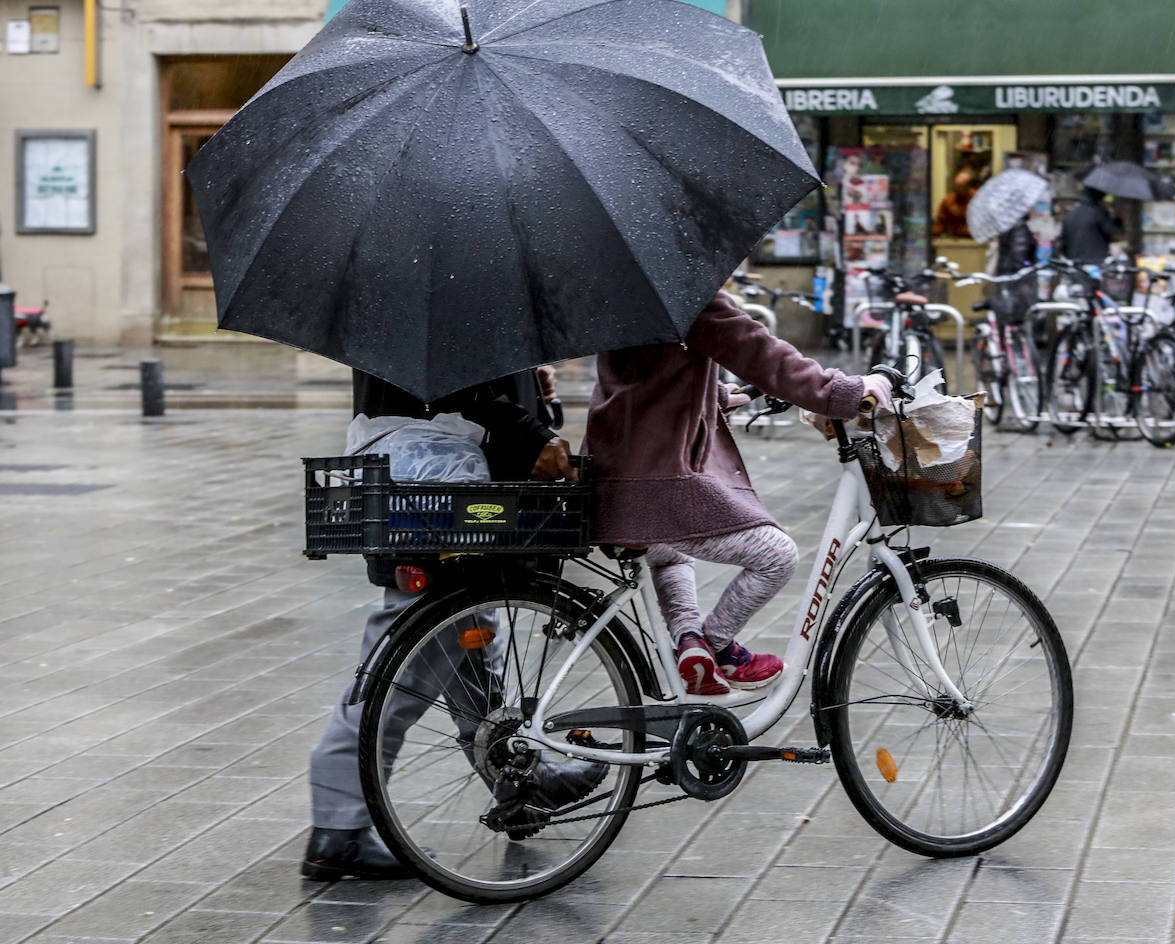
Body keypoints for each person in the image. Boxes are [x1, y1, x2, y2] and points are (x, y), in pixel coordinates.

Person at [302, 367, 600, 881]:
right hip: (436, 499)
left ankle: (520, 786)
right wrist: (535, 434)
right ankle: (338, 830)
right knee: (402, 676)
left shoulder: (425, 309)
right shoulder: (433, 305)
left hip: (434, 496)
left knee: (468, 654)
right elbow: (454, 387)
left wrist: (530, 386)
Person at [584, 291, 891, 695]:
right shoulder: (685, 295)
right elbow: (758, 351)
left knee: (667, 553)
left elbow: (649, 376)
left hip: (608, 481)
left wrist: (717, 396)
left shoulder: (624, 296)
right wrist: (844, 391)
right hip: (654, 485)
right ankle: (718, 647)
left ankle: (690, 640)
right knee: (777, 556)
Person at [1058, 187, 1123, 266]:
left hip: (1074, 263)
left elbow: (1063, 240)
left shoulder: (1071, 213)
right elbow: (1114, 231)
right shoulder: (1099, 212)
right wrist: (1118, 220)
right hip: (1096, 261)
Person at [932, 169, 977, 239]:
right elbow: (940, 223)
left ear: (968, 186)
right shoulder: (948, 201)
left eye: (962, 186)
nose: (959, 190)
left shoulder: (977, 198)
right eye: (957, 187)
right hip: (955, 239)